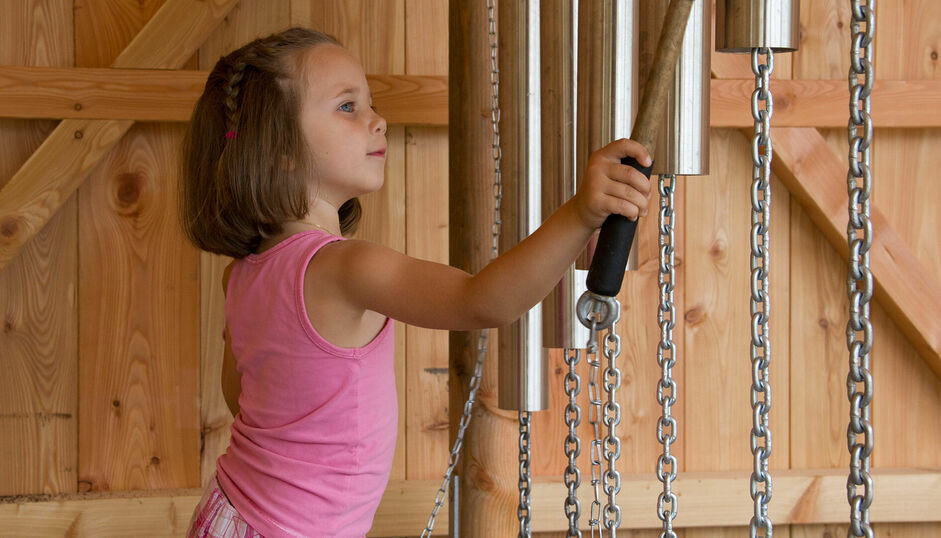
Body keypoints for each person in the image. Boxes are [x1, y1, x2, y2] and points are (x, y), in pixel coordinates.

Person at [179, 26, 651, 538]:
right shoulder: (347, 268)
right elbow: (482, 302)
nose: (377, 120)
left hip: (228, 514)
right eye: (347, 107)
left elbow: (242, 398)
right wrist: (581, 214)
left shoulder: (242, 276)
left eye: (370, 103)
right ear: (280, 149)